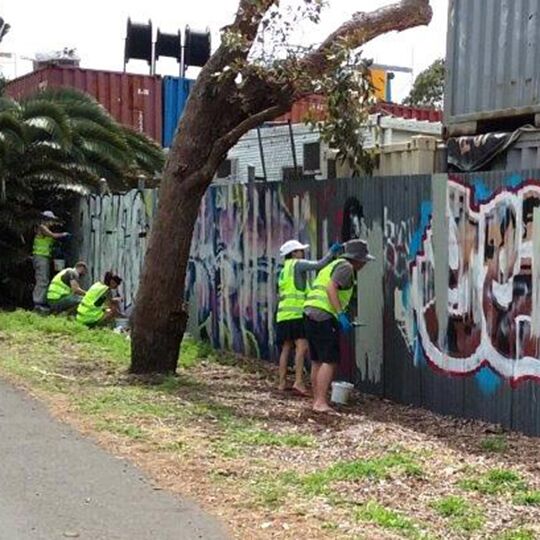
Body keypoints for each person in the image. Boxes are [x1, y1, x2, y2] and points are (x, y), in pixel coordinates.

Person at [304, 239, 374, 413]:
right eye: (364, 260)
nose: (364, 264)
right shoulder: (346, 268)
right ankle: (320, 402)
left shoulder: (333, 264)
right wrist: (340, 315)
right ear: (357, 259)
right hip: (324, 314)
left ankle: (317, 399)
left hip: (310, 312)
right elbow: (331, 288)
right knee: (330, 360)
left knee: (317, 360)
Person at [276, 239, 343, 395]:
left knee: (286, 348)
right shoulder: (297, 264)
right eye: (300, 250)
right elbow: (319, 265)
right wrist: (332, 253)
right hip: (297, 313)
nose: (302, 253)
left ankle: (281, 382)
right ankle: (298, 381)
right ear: (293, 253)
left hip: (283, 314)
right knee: (302, 347)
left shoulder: (283, 270)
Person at [32, 211, 70, 310]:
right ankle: (38, 303)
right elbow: (53, 235)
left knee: (44, 279)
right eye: (51, 220)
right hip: (40, 257)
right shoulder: (42, 227)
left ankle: (41, 302)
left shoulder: (45, 228)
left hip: (44, 257)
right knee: (42, 280)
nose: (52, 223)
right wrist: (64, 234)